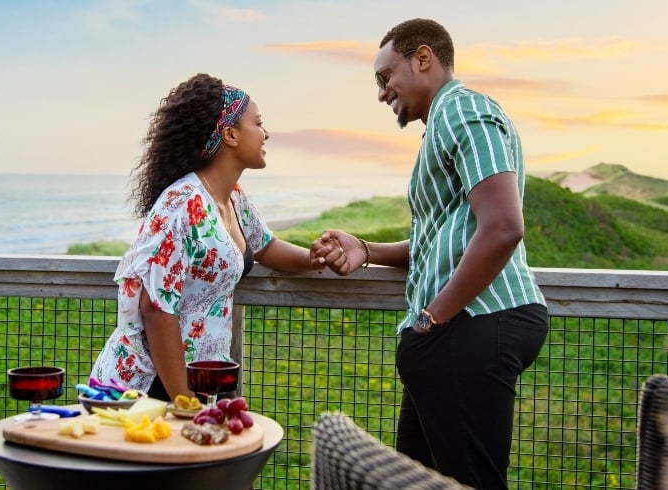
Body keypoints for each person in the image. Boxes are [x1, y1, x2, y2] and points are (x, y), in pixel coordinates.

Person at [311, 18, 549, 490]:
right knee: (417, 481)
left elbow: (503, 227)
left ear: (423, 58)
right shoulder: (443, 123)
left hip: (471, 326)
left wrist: (431, 321)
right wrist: (367, 249)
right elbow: (442, 238)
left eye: (385, 77)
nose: (381, 93)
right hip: (456, 333)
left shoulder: (462, 110)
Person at [90, 73, 323, 402]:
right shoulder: (181, 206)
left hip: (195, 380)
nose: (266, 133)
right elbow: (156, 307)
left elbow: (264, 245)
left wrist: (314, 258)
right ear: (230, 134)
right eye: (257, 123)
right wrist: (184, 401)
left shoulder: (231, 197)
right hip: (151, 387)